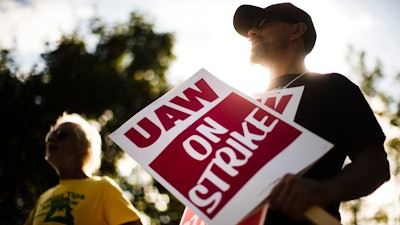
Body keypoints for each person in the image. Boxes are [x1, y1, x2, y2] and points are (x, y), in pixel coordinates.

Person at [233, 2, 390, 224]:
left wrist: (325, 191)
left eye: (263, 22)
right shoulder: (241, 104)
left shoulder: (331, 88)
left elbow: (376, 163)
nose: (251, 32)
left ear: (296, 31)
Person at [24, 112, 143, 225]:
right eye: (50, 134)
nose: (52, 139)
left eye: (62, 134)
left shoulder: (103, 188)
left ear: (82, 146)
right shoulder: (43, 198)